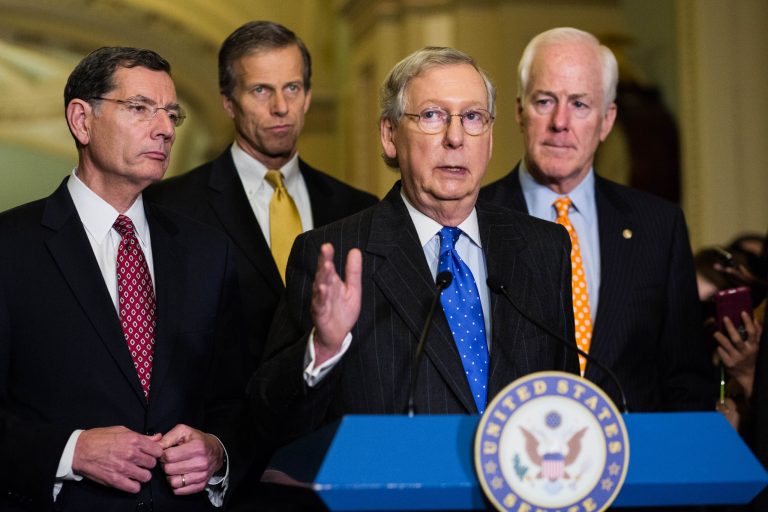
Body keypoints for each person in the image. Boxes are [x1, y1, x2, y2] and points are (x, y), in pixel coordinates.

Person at [250, 46, 579, 442]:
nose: (455, 138)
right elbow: (269, 422)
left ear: (489, 138)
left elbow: (566, 402)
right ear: (390, 135)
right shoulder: (332, 256)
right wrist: (323, 347)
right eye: (432, 116)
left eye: (473, 117)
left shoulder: (544, 249)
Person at [0, 47, 248, 511]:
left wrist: (217, 450)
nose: (165, 128)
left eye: (172, 114)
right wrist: (70, 451)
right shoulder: (10, 248)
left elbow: (236, 400)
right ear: (82, 120)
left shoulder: (209, 252)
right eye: (140, 108)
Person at [480, 27, 715, 411]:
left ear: (606, 120)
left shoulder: (660, 226)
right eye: (545, 101)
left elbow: (686, 380)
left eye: (580, 104)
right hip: (513, 442)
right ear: (520, 112)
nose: (560, 122)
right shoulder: (474, 218)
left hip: (636, 446)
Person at [146, 21, 378, 373]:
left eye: (292, 88)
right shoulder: (169, 207)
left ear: (308, 96)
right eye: (260, 90)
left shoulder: (360, 209)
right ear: (228, 102)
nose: (281, 106)